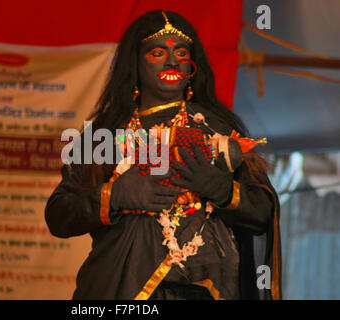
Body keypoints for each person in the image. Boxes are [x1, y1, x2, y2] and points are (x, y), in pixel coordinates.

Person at [45, 10, 281, 300]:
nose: (172, 61)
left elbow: (263, 212)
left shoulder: (218, 129)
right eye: (158, 52)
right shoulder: (100, 136)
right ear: (135, 63)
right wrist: (114, 195)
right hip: (119, 288)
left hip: (206, 290)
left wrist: (223, 191)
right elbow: (58, 216)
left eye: (181, 52)